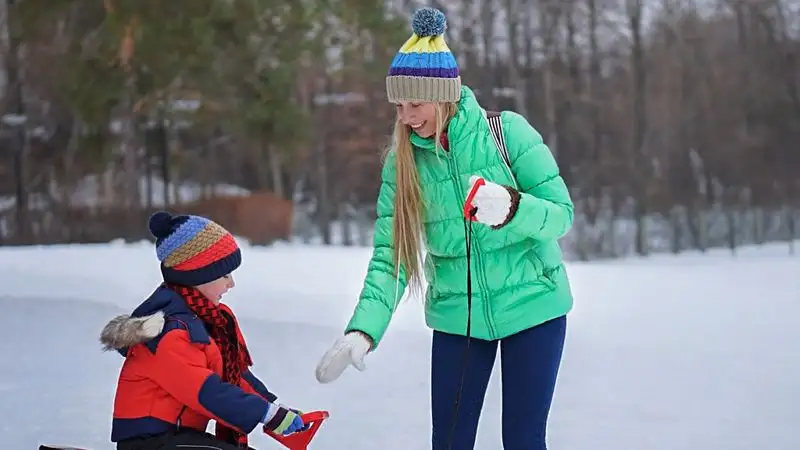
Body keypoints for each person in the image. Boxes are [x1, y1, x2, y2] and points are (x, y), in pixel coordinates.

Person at [314, 6, 575, 450]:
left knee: (523, 439)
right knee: (450, 441)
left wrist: (512, 207)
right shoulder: (405, 162)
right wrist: (364, 328)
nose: (405, 117)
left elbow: (561, 214)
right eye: (398, 105)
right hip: (459, 316)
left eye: (415, 104)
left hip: (534, 306)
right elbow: (391, 253)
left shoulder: (506, 133)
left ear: (444, 96)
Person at [100, 211, 306, 450]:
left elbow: (232, 377)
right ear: (198, 275)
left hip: (179, 438)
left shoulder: (206, 322)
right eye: (224, 275)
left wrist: (275, 410)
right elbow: (206, 391)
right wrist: (266, 414)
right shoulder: (170, 332)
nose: (231, 283)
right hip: (151, 444)